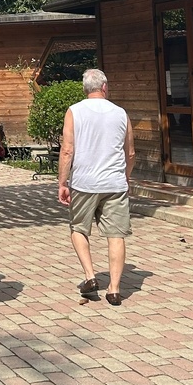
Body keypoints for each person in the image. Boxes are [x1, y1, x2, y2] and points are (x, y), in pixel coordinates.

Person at [57, 69, 134, 306]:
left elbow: (67, 150)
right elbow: (130, 152)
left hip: (84, 182)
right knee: (116, 235)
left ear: (84, 89)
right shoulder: (121, 113)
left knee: (79, 228)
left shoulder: (74, 111)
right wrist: (125, 177)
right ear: (104, 87)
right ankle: (114, 289)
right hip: (114, 183)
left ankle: (90, 276)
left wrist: (62, 182)